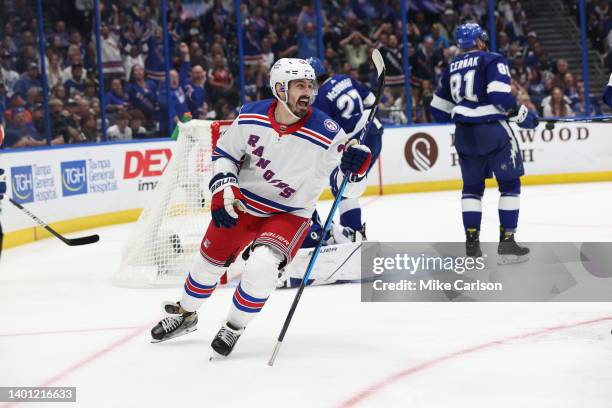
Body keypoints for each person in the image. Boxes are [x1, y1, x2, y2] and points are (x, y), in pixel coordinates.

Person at [150, 58, 372, 358]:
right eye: (299, 86)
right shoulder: (250, 116)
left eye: (310, 85)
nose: (308, 91)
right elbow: (226, 152)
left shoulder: (329, 132)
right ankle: (186, 314)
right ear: (280, 88)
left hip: (289, 214)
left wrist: (356, 169)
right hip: (243, 203)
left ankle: (233, 326)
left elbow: (349, 187)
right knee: (207, 265)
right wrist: (221, 189)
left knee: (262, 266)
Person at [430, 23, 538, 263]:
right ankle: (507, 243)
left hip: (464, 135)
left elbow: (437, 109)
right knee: (509, 185)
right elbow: (500, 97)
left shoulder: (451, 68)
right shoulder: (492, 59)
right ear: (479, 41)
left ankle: (472, 245)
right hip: (492, 131)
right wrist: (521, 114)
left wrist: (464, 114)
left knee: (471, 189)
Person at [306, 56, 383, 242]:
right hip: (374, 131)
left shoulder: (319, 98)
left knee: (343, 186)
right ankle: (353, 229)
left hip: (354, 142)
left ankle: (354, 230)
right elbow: (372, 101)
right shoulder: (344, 78)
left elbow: (327, 130)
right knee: (343, 185)